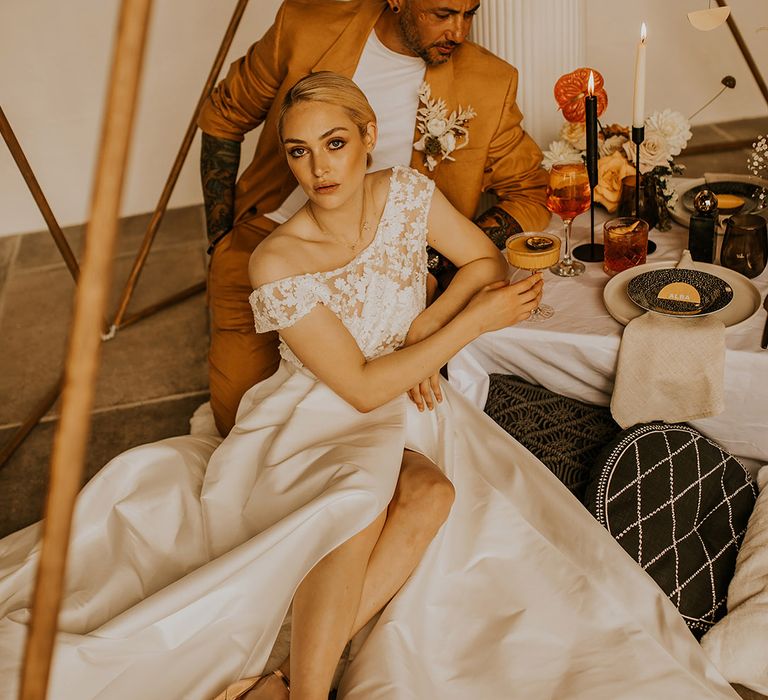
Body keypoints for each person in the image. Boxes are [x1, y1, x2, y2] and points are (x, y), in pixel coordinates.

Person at [0, 75, 739, 700]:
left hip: (407, 399)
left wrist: (422, 337)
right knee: (360, 495)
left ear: (366, 134)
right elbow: (354, 387)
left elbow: (483, 262)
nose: (319, 167)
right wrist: (459, 332)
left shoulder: (406, 194)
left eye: (334, 143)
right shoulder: (278, 260)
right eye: (298, 151)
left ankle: (285, 676)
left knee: (435, 496)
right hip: (312, 420)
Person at [198, 0, 550, 437]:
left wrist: (432, 273)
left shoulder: (489, 80)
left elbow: (530, 189)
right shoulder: (305, 25)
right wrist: (219, 239)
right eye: (441, 14)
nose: (458, 32)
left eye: (470, 13)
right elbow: (222, 115)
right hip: (271, 235)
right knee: (239, 427)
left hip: (389, 249)